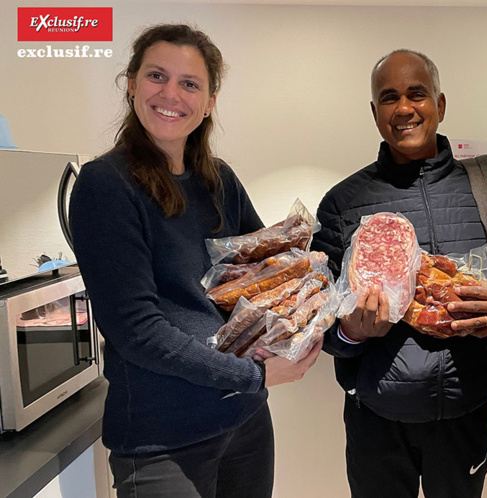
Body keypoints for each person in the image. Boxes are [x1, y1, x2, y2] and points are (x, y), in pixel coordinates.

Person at [69, 24, 322, 497]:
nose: (171, 94)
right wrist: (256, 373)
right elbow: (137, 331)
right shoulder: (106, 186)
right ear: (130, 84)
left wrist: (321, 290)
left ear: (209, 101)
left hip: (243, 420)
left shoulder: (217, 179)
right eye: (156, 76)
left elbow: (265, 275)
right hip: (164, 437)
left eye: (189, 84)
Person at [311, 49, 487, 498]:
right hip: (376, 419)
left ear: (440, 104)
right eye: (389, 97)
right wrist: (351, 335)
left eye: (416, 94)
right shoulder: (343, 202)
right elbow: (318, 319)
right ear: (375, 111)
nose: (404, 108)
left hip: (465, 412)